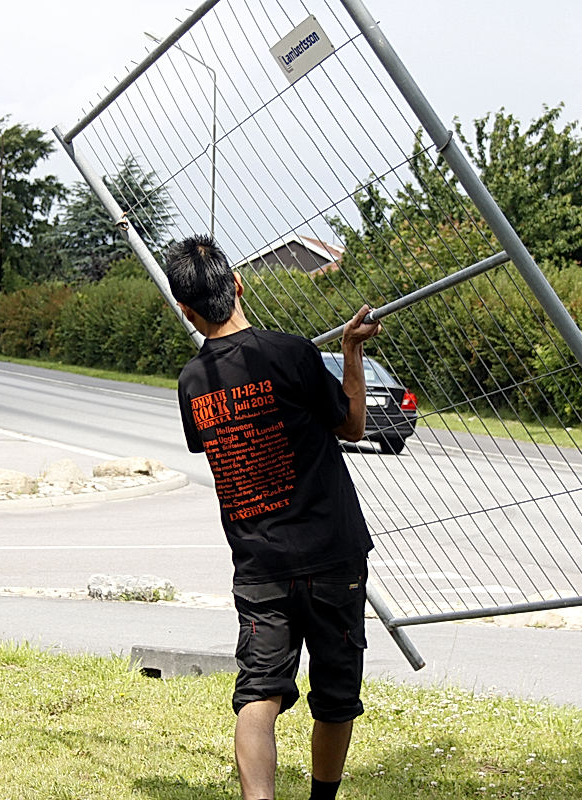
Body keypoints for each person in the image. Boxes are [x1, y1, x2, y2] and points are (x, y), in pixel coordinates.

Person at [166, 234, 381, 800]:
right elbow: (353, 426)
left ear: (187, 310)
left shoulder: (192, 383)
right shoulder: (290, 353)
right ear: (238, 284)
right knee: (335, 694)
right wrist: (352, 352)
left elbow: (209, 442)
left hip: (259, 562)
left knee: (258, 695)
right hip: (333, 554)